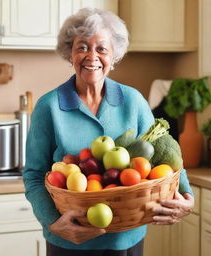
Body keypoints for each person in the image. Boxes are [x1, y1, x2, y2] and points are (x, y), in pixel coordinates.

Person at [23, 8, 194, 256]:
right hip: (71, 241)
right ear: (70, 54)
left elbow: (165, 155)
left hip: (126, 239)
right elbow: (34, 174)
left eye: (102, 48)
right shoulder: (49, 106)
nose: (91, 56)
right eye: (82, 47)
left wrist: (187, 197)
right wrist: (53, 223)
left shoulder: (133, 101)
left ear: (114, 56)